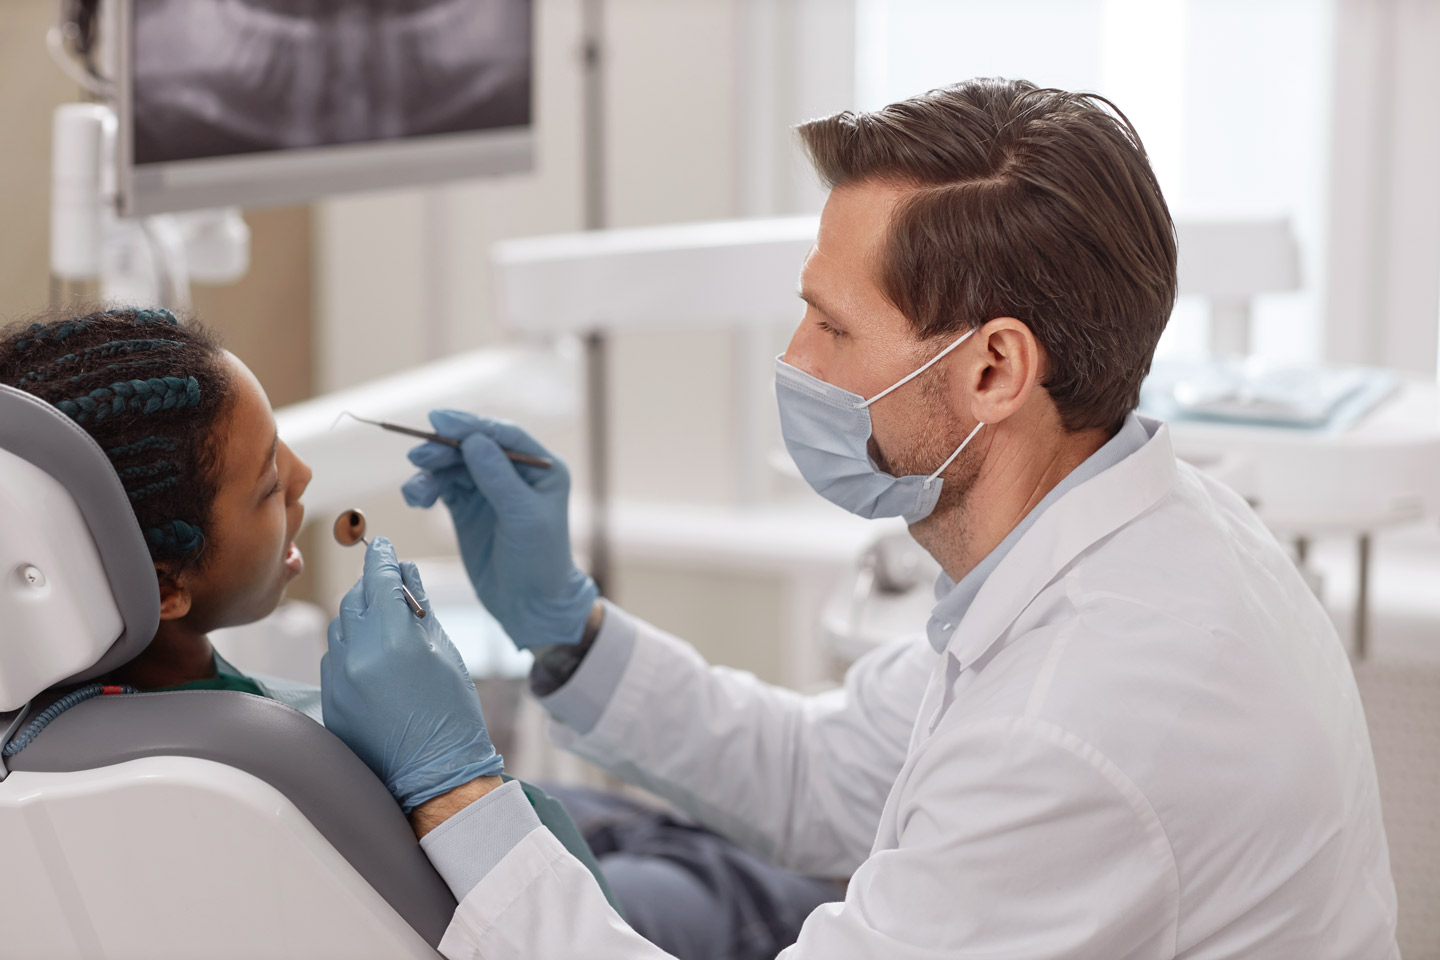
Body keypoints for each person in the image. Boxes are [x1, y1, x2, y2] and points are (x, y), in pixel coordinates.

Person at [322, 79, 1400, 959]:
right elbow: (814, 774)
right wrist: (569, 629)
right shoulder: (1129, 532)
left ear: (992, 369)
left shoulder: (1076, 727)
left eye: (834, 326)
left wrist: (458, 792)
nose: (796, 361)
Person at [0, 305, 615, 906]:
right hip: (572, 905)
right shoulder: (302, 759)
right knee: (693, 863)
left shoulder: (34, 746)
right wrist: (454, 776)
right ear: (164, 587)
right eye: (269, 482)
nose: (304, 475)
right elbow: (579, 911)